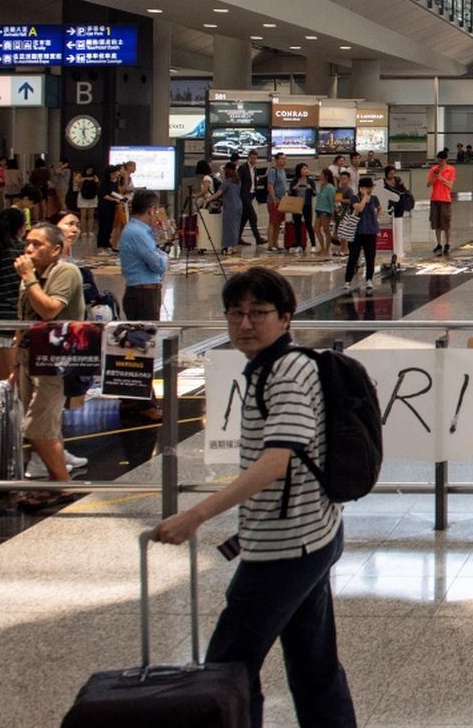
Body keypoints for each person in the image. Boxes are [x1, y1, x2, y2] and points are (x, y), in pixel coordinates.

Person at [150, 268, 355, 727]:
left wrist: (196, 515)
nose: (245, 324)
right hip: (312, 535)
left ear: (285, 318)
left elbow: (275, 462)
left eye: (259, 313)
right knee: (313, 664)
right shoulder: (272, 366)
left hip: (286, 549)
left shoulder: (285, 373)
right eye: (236, 313)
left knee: (228, 669)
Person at [13, 222, 86, 506]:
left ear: (56, 249)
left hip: (55, 360)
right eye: (27, 243)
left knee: (37, 425)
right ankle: (54, 484)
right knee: (44, 425)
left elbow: (49, 309)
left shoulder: (65, 271)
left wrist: (29, 278)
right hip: (29, 358)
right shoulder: (32, 275)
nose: (29, 249)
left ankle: (62, 486)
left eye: (37, 244)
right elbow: (23, 318)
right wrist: (14, 363)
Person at [119, 189, 168, 321]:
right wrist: (164, 256)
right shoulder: (137, 233)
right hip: (142, 295)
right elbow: (158, 265)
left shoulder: (141, 230)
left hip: (145, 293)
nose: (157, 214)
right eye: (156, 210)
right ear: (151, 210)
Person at [0, 209, 26, 385]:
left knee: (3, 376)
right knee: (16, 379)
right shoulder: (22, 252)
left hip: (0, 320)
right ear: (21, 228)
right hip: (18, 321)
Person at [344, 177, 382, 293]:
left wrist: (376, 218)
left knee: (370, 256)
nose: (370, 190)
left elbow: (380, 208)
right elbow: (359, 208)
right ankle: (348, 280)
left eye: (371, 188)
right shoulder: (355, 198)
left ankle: (369, 279)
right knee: (353, 256)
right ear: (362, 188)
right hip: (356, 231)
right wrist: (365, 196)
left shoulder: (374, 198)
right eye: (368, 188)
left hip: (370, 231)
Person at [427, 149, 456, 256]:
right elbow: (428, 184)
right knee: (436, 223)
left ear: (446, 160)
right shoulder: (433, 170)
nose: (440, 163)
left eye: (442, 161)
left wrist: (442, 178)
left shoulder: (451, 170)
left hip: (445, 199)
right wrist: (434, 178)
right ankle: (438, 243)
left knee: (446, 222)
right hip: (435, 199)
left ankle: (447, 243)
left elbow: (450, 186)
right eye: (438, 161)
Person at [239, 149, 264, 247]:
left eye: (255, 158)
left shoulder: (255, 169)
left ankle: (238, 237)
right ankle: (258, 238)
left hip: (252, 194)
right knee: (253, 217)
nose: (253, 160)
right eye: (252, 158)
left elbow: (253, 181)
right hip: (244, 195)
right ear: (248, 158)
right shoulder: (243, 168)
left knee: (245, 217)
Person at [315, 166, 341, 257]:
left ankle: (326, 248)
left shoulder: (330, 188)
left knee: (326, 230)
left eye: (322, 174)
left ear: (326, 176)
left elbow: (332, 202)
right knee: (316, 229)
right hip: (319, 209)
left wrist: (332, 214)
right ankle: (322, 247)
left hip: (326, 211)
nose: (320, 175)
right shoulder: (321, 186)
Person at [219, 163, 243, 255]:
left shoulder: (227, 182)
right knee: (235, 227)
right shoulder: (237, 181)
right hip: (238, 205)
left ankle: (229, 246)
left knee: (229, 227)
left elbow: (219, 193)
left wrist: (209, 199)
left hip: (230, 206)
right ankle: (234, 246)